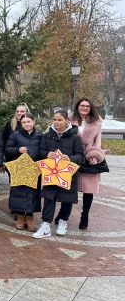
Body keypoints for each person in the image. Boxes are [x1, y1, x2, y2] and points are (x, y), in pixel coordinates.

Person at [33, 110, 84, 238]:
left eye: (59, 120)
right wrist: (46, 154)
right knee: (49, 198)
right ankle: (45, 225)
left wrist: (70, 158)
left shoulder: (75, 137)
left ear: (67, 120)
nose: (56, 122)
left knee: (67, 198)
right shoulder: (47, 136)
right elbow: (40, 151)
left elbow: (81, 156)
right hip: (51, 174)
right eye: (55, 120)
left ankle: (63, 221)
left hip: (68, 174)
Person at [5, 113, 43, 231]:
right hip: (20, 168)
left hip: (34, 169)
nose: (27, 124)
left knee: (32, 193)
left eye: (29, 122)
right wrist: (17, 149)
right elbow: (7, 149)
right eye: (24, 122)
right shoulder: (15, 135)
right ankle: (20, 216)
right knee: (19, 192)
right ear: (21, 124)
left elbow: (43, 150)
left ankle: (30, 217)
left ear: (33, 122)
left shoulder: (39, 135)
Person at [71, 97, 104, 230]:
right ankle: (64, 214)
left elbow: (98, 142)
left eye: (87, 106)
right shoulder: (70, 119)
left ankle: (85, 215)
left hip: (89, 156)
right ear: (78, 107)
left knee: (88, 190)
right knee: (70, 187)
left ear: (91, 108)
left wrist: (95, 156)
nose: (85, 108)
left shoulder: (96, 123)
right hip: (73, 156)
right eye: (82, 105)